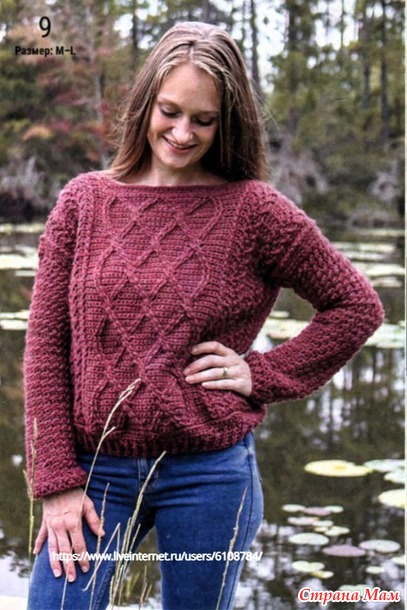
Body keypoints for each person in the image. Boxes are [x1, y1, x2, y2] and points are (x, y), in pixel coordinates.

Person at [24, 21, 384, 610]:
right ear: (146, 102)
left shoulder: (255, 211)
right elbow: (44, 348)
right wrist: (56, 480)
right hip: (94, 472)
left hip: (209, 476)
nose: (182, 132)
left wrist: (259, 373)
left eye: (204, 119)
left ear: (227, 122)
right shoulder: (84, 202)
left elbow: (355, 305)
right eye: (169, 111)